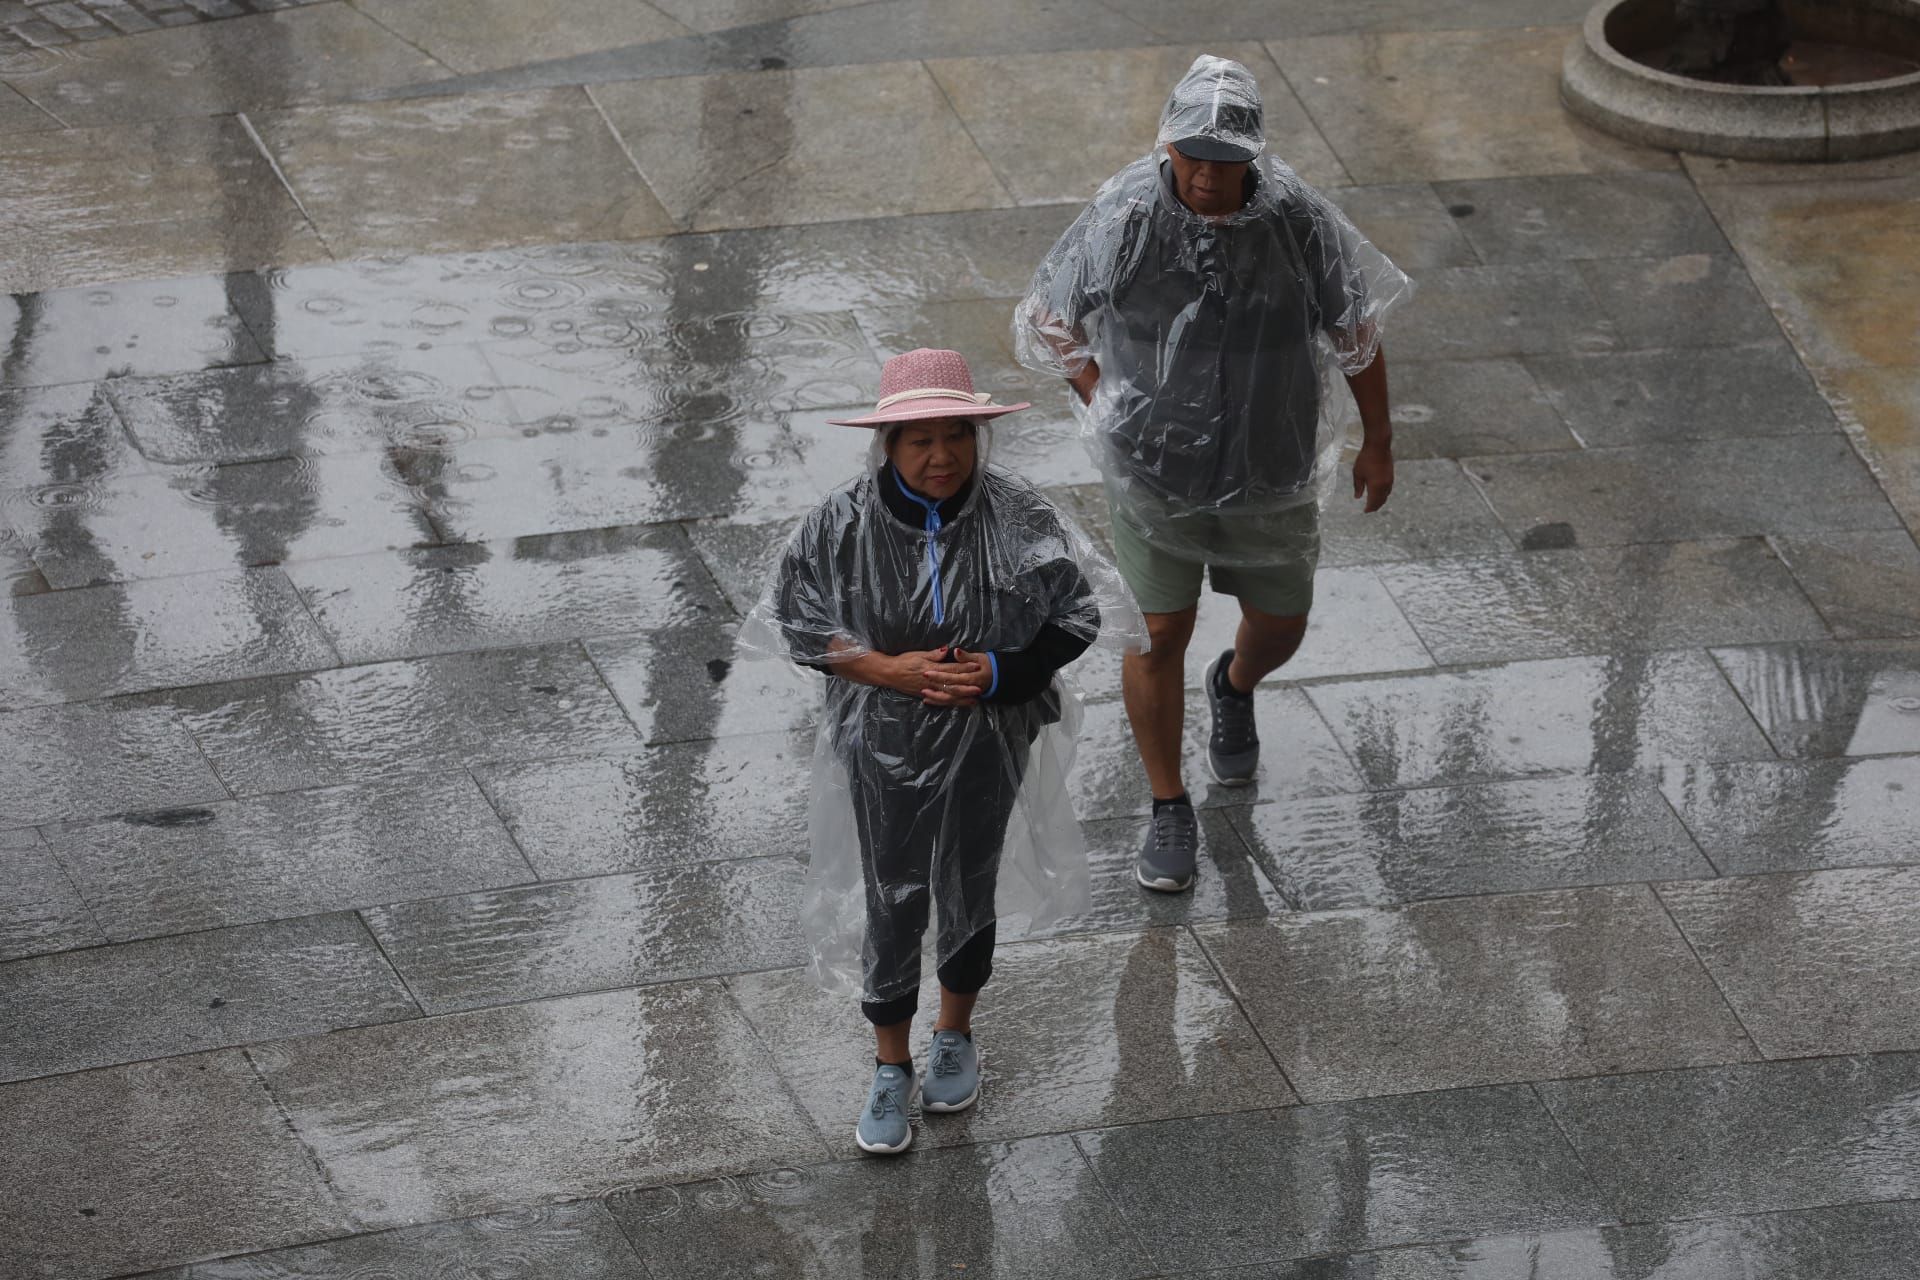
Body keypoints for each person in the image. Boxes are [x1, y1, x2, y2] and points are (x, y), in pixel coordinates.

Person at [1014, 54, 1413, 895]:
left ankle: (1234, 683)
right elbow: (1050, 315)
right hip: (1152, 473)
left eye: (1223, 160)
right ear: (1167, 146)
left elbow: (1356, 331)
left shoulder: (1297, 220)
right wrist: (1103, 399)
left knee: (1281, 622)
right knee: (1155, 633)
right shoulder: (1125, 215)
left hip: (1270, 464)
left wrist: (1378, 439)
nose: (1203, 173)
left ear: (1252, 159)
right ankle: (1168, 803)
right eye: (1190, 154)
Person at [745, 348, 1142, 1156]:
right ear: (886, 446)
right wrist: (886, 667)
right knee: (895, 891)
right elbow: (795, 622)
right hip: (881, 737)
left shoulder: (1018, 514)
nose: (941, 456)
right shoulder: (840, 522)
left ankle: (955, 1032)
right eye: (919, 439)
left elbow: (1076, 616)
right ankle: (891, 1064)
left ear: (977, 435)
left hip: (991, 733)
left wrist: (1000, 672)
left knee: (970, 876)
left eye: (956, 435)